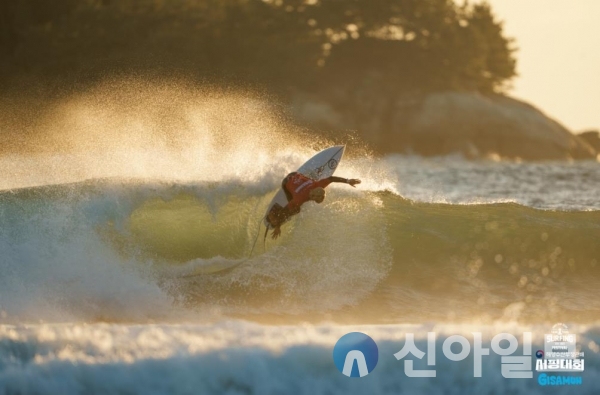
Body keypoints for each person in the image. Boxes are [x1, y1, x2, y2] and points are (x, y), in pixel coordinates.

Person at [266, 172, 361, 239]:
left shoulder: (318, 185)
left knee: (312, 180)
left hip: (295, 174)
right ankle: (273, 214)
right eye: (315, 199)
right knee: (296, 210)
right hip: (286, 182)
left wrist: (348, 181)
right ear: (313, 195)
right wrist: (278, 226)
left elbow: (331, 179)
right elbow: (284, 211)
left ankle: (307, 179)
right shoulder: (299, 199)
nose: (315, 199)